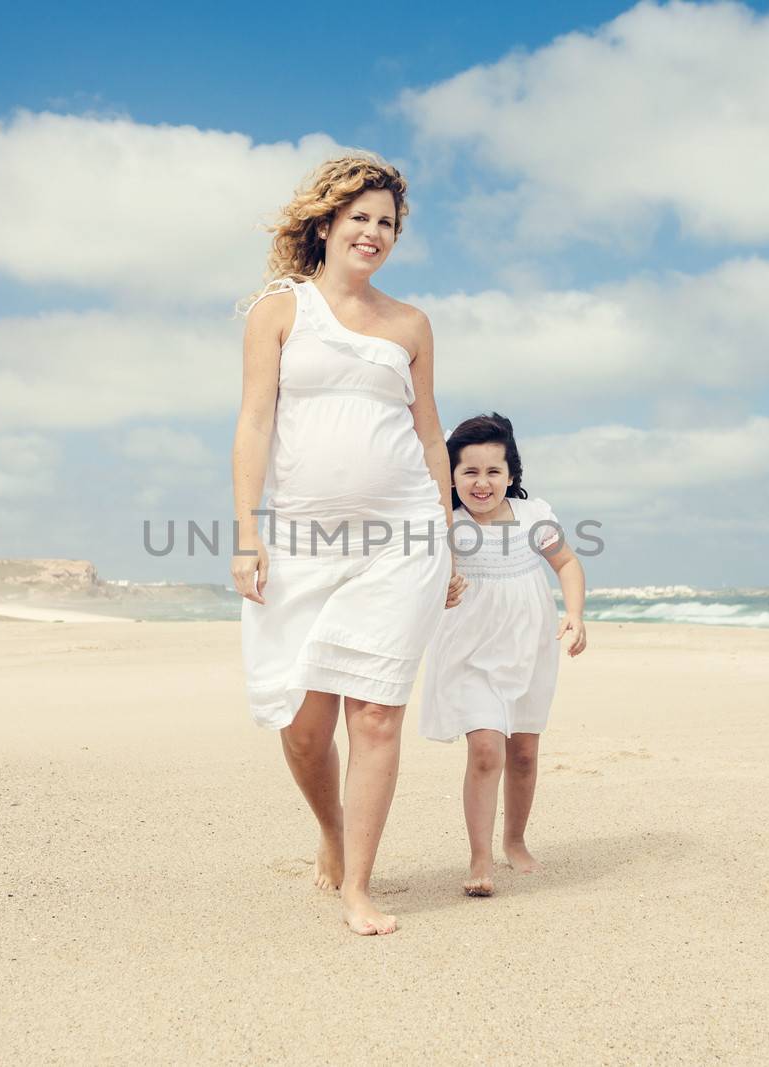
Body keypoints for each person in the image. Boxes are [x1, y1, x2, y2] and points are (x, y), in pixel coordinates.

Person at [231, 154, 463, 935]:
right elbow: (254, 423)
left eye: (386, 223)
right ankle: (330, 831)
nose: (373, 232)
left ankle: (360, 886)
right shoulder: (280, 310)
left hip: (405, 538)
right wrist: (245, 532)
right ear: (326, 223)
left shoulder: (411, 325)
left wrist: (450, 540)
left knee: (375, 714)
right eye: (359, 217)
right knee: (302, 722)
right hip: (299, 539)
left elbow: (431, 437)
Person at [419, 412, 587, 897]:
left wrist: (574, 614)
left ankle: (515, 839)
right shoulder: (444, 523)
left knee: (525, 755)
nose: (482, 482)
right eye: (469, 471)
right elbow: (423, 577)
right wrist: (439, 588)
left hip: (529, 648)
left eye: (494, 471)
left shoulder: (535, 517)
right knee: (488, 749)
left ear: (511, 474)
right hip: (470, 650)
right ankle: (480, 856)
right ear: (450, 475)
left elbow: (567, 563)